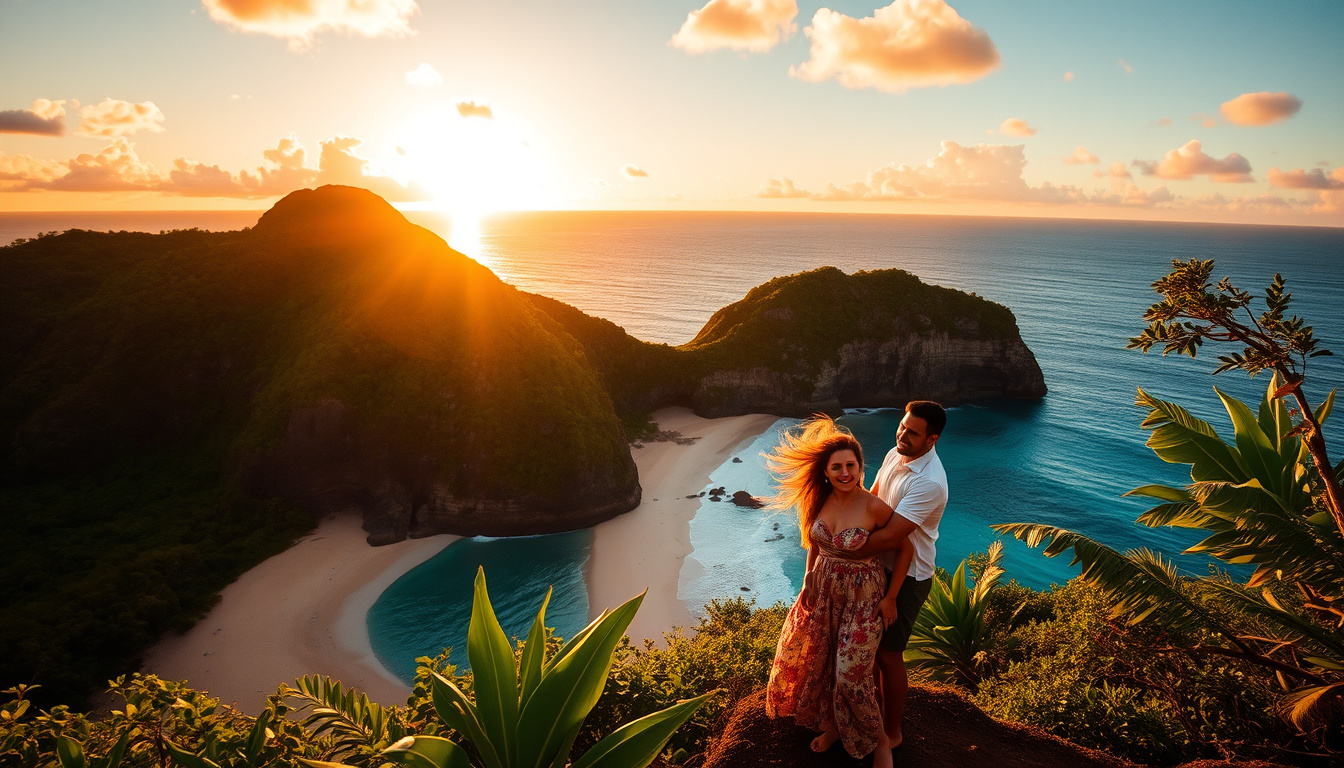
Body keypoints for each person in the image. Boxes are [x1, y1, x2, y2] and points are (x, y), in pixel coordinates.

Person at [764, 416, 896, 768]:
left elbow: (906, 546)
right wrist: (807, 577)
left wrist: (891, 597)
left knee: (851, 674)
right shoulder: (819, 500)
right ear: (826, 472)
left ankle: (881, 741)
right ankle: (835, 727)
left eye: (850, 465)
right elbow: (815, 542)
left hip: (862, 597)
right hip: (823, 590)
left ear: (860, 467)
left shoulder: (872, 506)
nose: (844, 473)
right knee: (822, 664)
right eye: (836, 467)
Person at [851, 400, 949, 753]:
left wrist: (838, 549)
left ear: (932, 439)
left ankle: (892, 732)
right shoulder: (896, 453)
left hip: (909, 578)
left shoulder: (931, 483)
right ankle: (875, 714)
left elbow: (893, 536)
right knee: (873, 649)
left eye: (913, 432)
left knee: (889, 655)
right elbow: (872, 499)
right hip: (879, 565)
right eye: (903, 427)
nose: (903, 435)